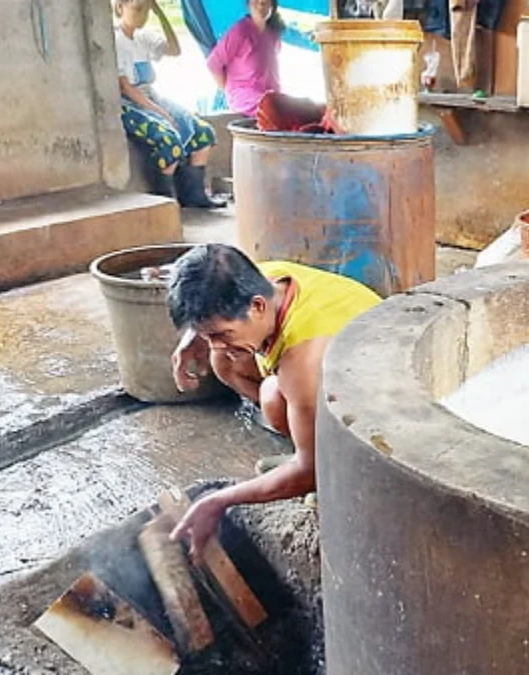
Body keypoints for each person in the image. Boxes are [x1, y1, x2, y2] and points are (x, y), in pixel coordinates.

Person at [165, 244, 381, 556]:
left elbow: (308, 472)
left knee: (274, 400)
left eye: (222, 333)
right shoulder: (257, 279)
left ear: (256, 307)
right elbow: (218, 325)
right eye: (207, 333)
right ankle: (305, 439)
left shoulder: (303, 358)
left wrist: (219, 500)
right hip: (325, 370)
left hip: (375, 404)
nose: (215, 343)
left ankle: (334, 468)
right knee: (224, 361)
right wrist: (191, 339)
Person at [114, 0, 225, 208]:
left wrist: (160, 14)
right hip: (129, 102)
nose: (142, 15)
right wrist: (161, 113)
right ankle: (165, 200)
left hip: (150, 95)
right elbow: (126, 88)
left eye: (146, 10)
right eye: (138, 9)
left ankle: (194, 194)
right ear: (120, 7)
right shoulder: (116, 40)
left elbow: (174, 50)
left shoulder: (142, 37)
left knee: (203, 132)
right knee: (168, 139)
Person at [206, 0, 336, 131]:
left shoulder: (273, 33)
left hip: (272, 97)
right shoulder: (240, 31)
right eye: (256, 1)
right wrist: (230, 91)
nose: (261, 4)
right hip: (248, 100)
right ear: (248, 4)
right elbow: (213, 64)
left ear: (273, 6)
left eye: (265, 2)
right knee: (275, 106)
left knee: (311, 107)